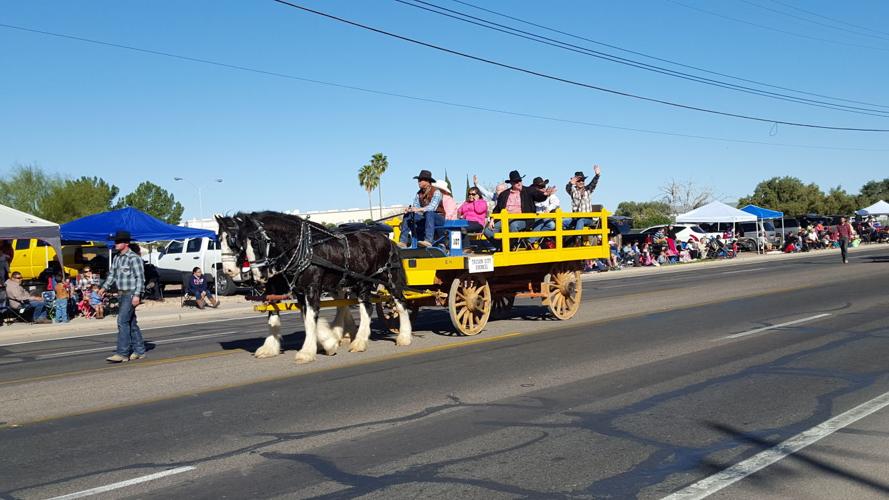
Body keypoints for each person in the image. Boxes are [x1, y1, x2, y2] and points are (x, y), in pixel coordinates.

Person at [100, 230, 146, 362]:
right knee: (131, 323)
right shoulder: (117, 258)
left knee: (122, 321)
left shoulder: (134, 258)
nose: (115, 243)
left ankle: (122, 353)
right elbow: (112, 275)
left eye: (118, 241)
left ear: (126, 243)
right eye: (115, 241)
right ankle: (140, 351)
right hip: (121, 294)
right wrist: (104, 287)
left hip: (131, 294)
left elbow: (140, 278)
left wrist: (137, 295)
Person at [483, 170, 547, 251]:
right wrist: (492, 219)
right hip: (505, 219)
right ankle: (504, 246)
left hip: (523, 219)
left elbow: (538, 196)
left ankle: (510, 245)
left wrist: (545, 195)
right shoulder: (504, 194)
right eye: (516, 182)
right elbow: (497, 208)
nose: (519, 183)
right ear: (512, 183)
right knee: (487, 231)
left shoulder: (528, 190)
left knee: (513, 225)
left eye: (520, 180)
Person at [399, 169, 445, 248]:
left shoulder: (436, 191)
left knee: (429, 213)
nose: (418, 182)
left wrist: (417, 209)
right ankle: (403, 242)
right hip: (425, 217)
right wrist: (410, 210)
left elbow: (432, 207)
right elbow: (416, 207)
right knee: (408, 215)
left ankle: (428, 241)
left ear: (427, 181)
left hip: (438, 218)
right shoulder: (418, 193)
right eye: (418, 180)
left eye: (421, 180)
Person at [564, 165, 602, 233]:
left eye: (583, 180)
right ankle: (563, 241)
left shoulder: (588, 189)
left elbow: (593, 183)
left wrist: (597, 175)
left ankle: (577, 239)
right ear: (575, 182)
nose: (581, 182)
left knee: (581, 221)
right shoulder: (573, 191)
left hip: (587, 219)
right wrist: (570, 183)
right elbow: (567, 188)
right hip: (575, 218)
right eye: (579, 181)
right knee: (561, 222)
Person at [528, 177, 560, 246]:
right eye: (540, 186)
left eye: (544, 186)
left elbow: (556, 202)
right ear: (536, 188)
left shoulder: (548, 194)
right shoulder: (533, 194)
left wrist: (548, 208)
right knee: (541, 222)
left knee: (551, 225)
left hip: (545, 217)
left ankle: (533, 240)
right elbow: (537, 204)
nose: (543, 188)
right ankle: (531, 242)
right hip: (534, 217)